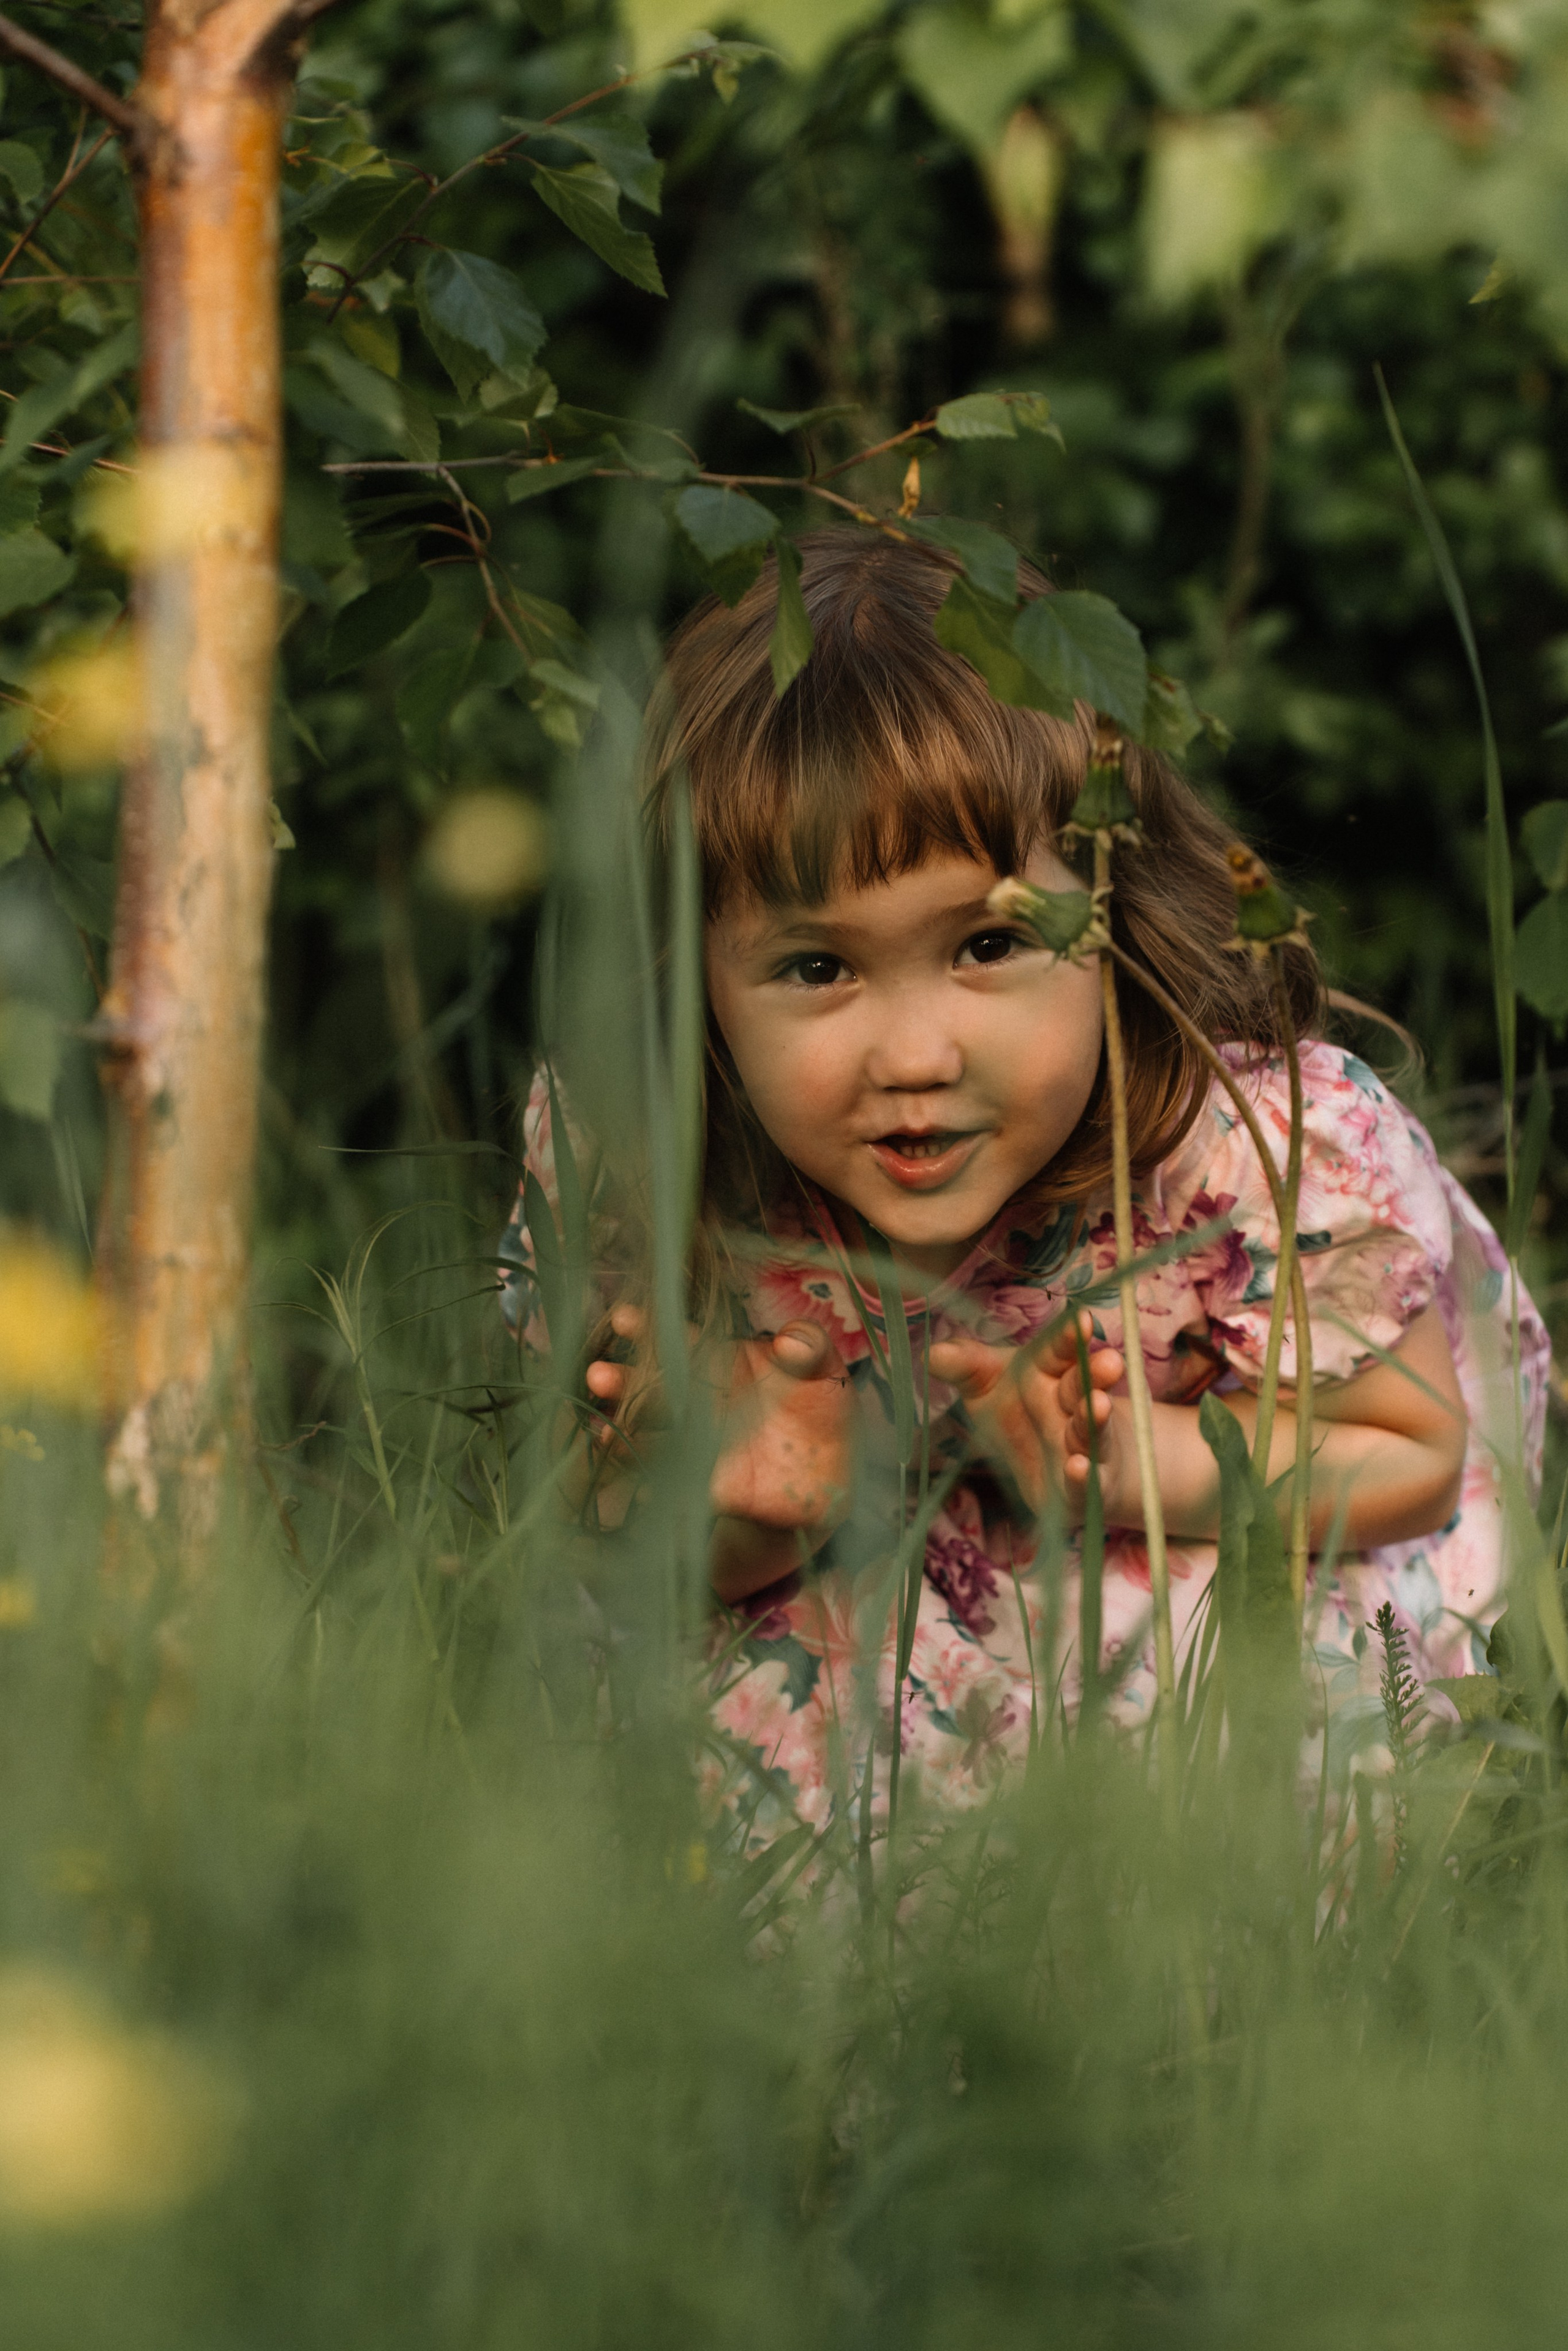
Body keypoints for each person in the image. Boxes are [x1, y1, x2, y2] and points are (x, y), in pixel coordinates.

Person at [501, 531, 1549, 1854]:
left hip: (1229, 1521)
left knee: (1184, 1721)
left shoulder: (1245, 1139)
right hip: (863, 1592)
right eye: (816, 970)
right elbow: (595, 1536)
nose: (915, 1057)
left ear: (1107, 918)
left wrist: (1124, 1465)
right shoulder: (638, 1158)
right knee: (662, 1743)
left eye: (988, 944)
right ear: (693, 973)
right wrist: (740, 1504)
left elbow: (1410, 1457)